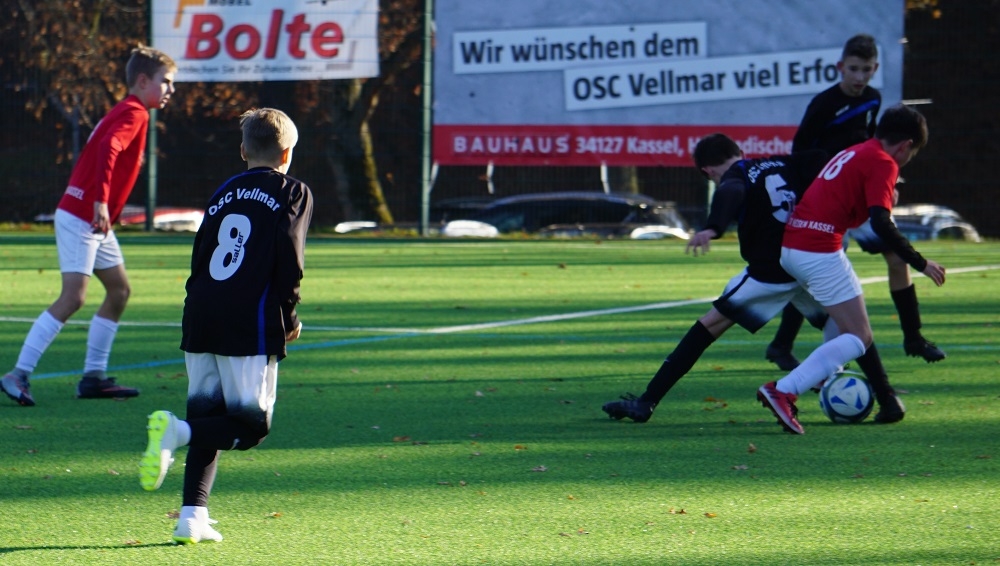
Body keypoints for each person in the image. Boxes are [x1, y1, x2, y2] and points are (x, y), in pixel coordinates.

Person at [139, 108, 314, 544]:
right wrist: (289, 316)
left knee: (208, 415)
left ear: (242, 150)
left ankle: (191, 517)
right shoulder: (294, 190)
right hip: (247, 318)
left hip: (202, 311)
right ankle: (177, 432)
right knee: (251, 425)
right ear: (287, 153)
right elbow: (290, 257)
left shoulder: (225, 190)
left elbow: (201, 252)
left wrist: (195, 309)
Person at [602, 133, 835, 423]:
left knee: (708, 326)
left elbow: (731, 190)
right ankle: (877, 393)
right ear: (740, 151)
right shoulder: (778, 163)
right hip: (805, 263)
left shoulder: (736, 175)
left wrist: (713, 227)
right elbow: (820, 157)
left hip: (771, 272)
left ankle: (646, 401)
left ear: (708, 171)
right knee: (848, 326)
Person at [1, 46, 177, 407]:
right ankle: (18, 374)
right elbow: (109, 147)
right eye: (166, 82)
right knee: (74, 297)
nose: (171, 90)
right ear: (143, 81)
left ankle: (93, 378)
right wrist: (100, 201)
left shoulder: (127, 109)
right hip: (85, 214)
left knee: (119, 291)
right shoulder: (135, 113)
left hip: (92, 219)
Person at [758, 104, 945, 435]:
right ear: (906, 146)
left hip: (796, 245)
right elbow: (881, 224)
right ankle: (784, 389)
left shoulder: (859, 150)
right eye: (912, 153)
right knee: (860, 335)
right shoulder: (884, 162)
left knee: (845, 322)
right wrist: (921, 262)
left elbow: (847, 206)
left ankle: (841, 383)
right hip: (817, 249)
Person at [764, 33, 945, 371]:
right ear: (840, 68)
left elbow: (872, 146)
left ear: (875, 69)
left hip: (859, 200)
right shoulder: (823, 104)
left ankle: (914, 337)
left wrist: (884, 185)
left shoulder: (873, 99)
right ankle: (783, 345)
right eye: (854, 69)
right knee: (819, 278)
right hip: (828, 204)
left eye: (866, 69)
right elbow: (800, 152)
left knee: (896, 257)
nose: (860, 77)